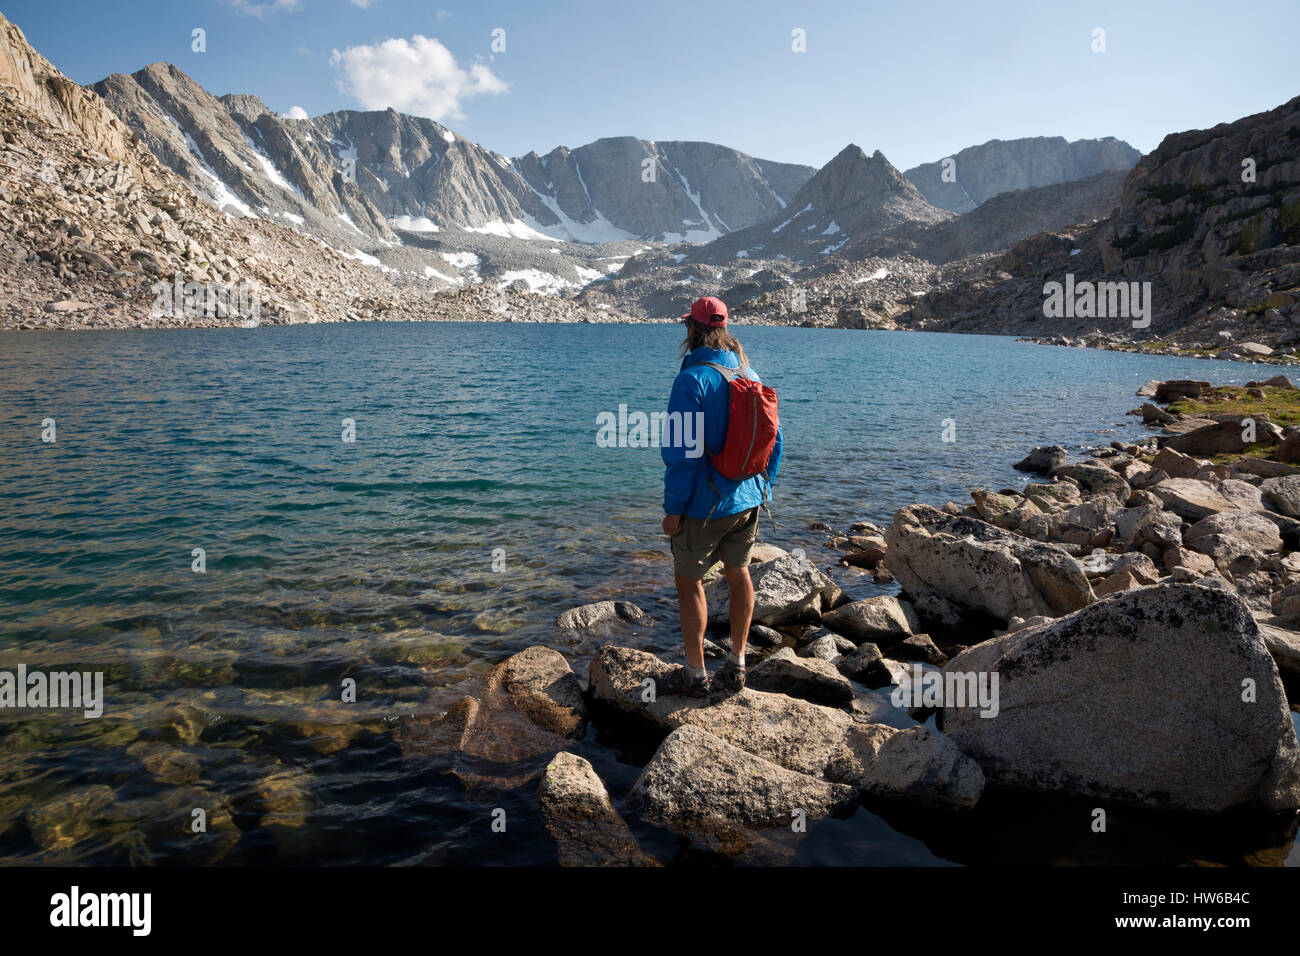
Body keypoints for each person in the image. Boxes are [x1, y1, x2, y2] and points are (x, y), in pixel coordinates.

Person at [660, 296, 782, 696]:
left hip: (703, 505)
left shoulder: (690, 381)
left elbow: (682, 453)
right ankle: (737, 663)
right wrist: (765, 485)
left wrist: (674, 510)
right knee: (739, 572)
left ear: (691, 330)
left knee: (689, 582)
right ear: (724, 327)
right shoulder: (750, 372)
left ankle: (694, 675)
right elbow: (775, 440)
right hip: (748, 499)